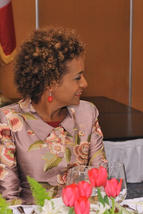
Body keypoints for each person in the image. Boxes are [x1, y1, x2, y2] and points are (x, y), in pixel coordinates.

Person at [0, 27, 107, 204]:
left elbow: (100, 184)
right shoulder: (9, 122)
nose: (85, 83)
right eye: (77, 78)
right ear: (51, 82)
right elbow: (8, 200)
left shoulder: (87, 114)